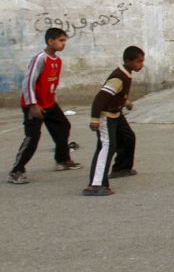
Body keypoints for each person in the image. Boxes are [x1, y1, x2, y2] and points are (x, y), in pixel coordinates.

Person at [8, 28, 81, 184]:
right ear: (50, 41)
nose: (63, 44)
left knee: (63, 126)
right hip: (33, 105)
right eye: (61, 40)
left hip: (49, 103)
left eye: (64, 41)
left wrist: (51, 99)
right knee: (32, 138)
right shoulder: (40, 59)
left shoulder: (57, 61)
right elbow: (28, 82)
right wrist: (33, 105)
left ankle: (62, 160)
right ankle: (16, 170)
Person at [83, 46, 145, 196]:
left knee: (127, 137)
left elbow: (117, 95)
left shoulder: (126, 74)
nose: (141, 64)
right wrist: (95, 119)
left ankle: (121, 168)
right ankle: (96, 185)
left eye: (142, 61)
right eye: (139, 61)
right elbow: (101, 98)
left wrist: (126, 102)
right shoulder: (118, 77)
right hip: (106, 116)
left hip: (116, 113)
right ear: (128, 61)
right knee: (107, 147)